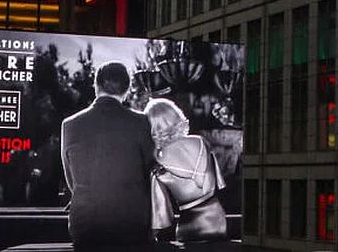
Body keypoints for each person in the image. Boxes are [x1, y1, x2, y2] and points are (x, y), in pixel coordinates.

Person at [61, 61, 155, 250]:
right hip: (132, 225)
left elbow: (71, 179)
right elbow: (149, 172)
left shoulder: (69, 124)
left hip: (86, 227)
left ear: (96, 86)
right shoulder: (141, 122)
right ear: (127, 90)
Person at [146, 98, 229, 242]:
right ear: (176, 115)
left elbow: (161, 217)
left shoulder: (157, 162)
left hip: (188, 224)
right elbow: (219, 184)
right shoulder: (200, 141)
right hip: (218, 218)